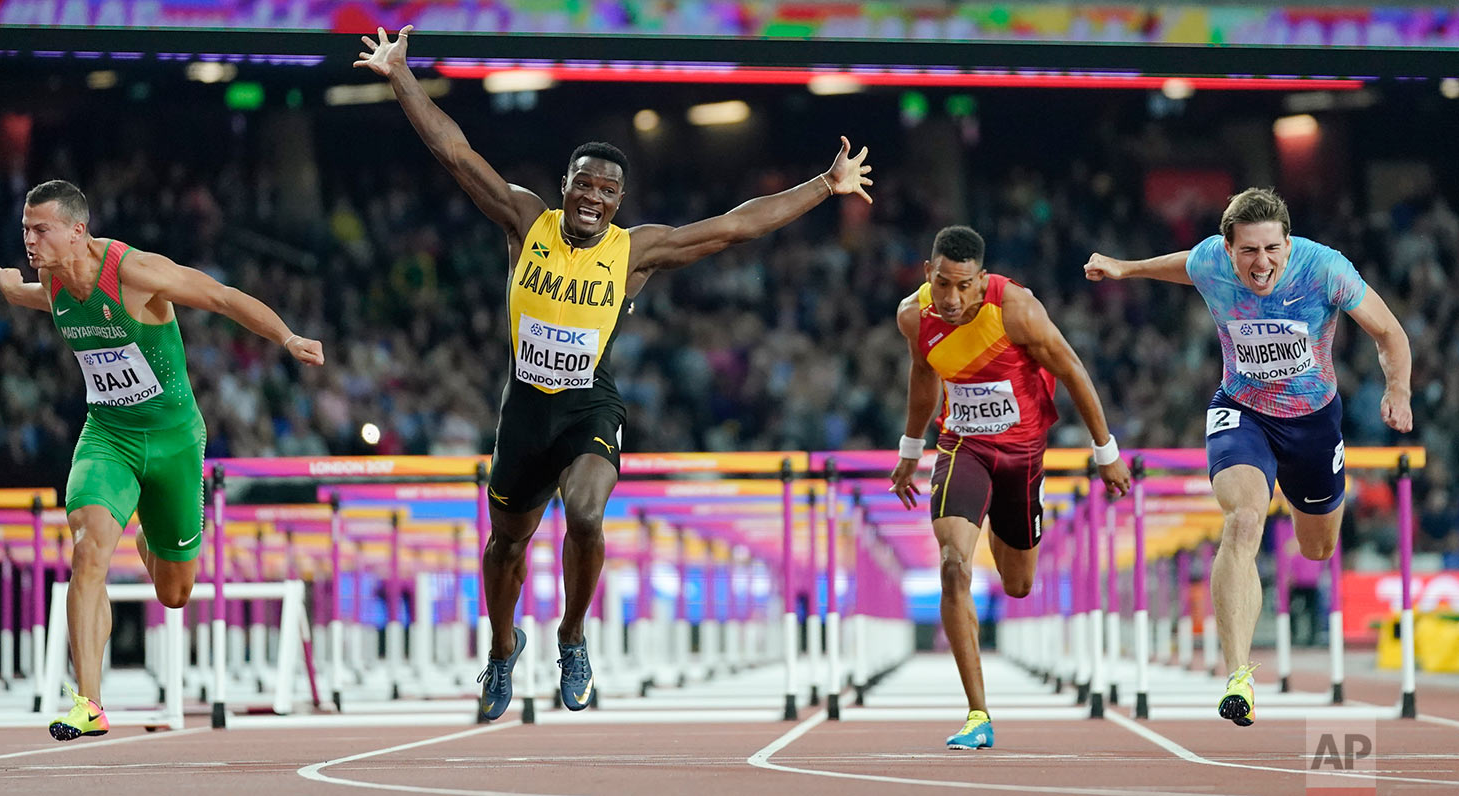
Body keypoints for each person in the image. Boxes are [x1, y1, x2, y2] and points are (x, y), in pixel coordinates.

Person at [355, 25, 873, 720]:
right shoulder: (525, 220)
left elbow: (733, 227)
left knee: (587, 514)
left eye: (608, 189)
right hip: (525, 410)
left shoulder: (635, 252)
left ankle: (572, 635)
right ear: (564, 185)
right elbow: (454, 151)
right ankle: (503, 648)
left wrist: (823, 185)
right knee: (505, 545)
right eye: (584, 183)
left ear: (619, 202)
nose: (594, 196)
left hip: (587, 405)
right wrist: (399, 76)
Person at [0, 180, 324, 741]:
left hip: (174, 441)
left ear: (78, 230)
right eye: (25, 228)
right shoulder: (52, 278)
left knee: (175, 594)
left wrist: (287, 338)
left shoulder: (133, 272)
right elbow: (33, 295)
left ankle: (151, 537)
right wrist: (9, 288)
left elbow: (219, 296)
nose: (28, 239)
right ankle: (89, 704)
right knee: (87, 550)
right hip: (107, 439)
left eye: (40, 229)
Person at [1085, 187, 1411, 726]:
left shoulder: (1326, 270)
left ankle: (1299, 497)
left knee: (1318, 549)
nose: (1261, 264)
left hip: (1312, 422)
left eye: (1271, 250)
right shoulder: (1211, 259)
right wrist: (1126, 269)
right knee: (1242, 522)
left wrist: (1397, 391)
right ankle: (1239, 675)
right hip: (1243, 412)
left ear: (1288, 242)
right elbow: (1183, 266)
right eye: (1248, 252)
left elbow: (1389, 332)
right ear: (1227, 248)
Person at [889, 225, 1130, 750]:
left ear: (982, 280)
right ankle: (978, 713)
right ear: (929, 274)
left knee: (1019, 584)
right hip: (962, 447)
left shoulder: (1017, 308)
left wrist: (1105, 451)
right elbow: (924, 375)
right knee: (954, 566)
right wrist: (910, 451)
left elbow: (1070, 369)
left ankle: (999, 516)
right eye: (943, 284)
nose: (952, 299)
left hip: (1022, 455)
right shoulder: (914, 315)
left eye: (964, 286)